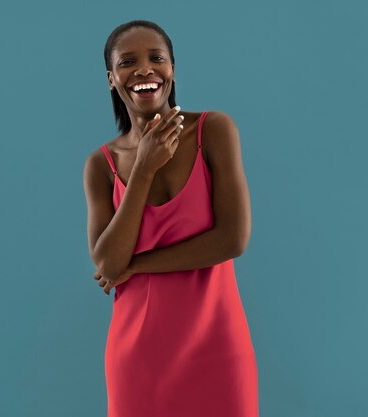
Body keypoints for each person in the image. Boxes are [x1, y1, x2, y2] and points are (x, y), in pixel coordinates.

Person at [82, 20, 258, 417]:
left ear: (172, 69)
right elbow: (109, 263)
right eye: (128, 62)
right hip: (138, 355)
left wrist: (137, 265)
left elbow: (232, 239)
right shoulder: (101, 165)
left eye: (155, 58)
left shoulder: (213, 131)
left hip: (218, 345)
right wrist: (142, 170)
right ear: (112, 79)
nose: (144, 69)